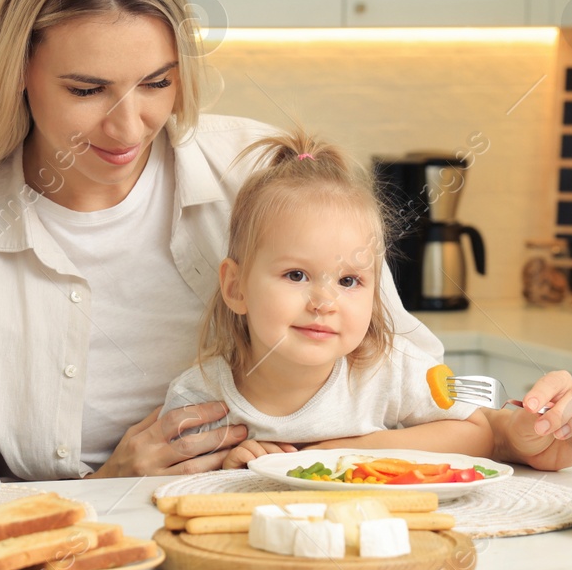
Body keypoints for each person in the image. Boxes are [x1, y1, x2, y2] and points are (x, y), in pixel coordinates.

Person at [0, 0, 572, 480]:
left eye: (157, 83)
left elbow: (415, 388)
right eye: (87, 88)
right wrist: (106, 490)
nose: (129, 125)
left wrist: (521, 434)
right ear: (20, 72)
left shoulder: (258, 175)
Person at [160, 130, 493, 468]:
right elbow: (168, 488)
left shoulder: (389, 373)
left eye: (348, 280)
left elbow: (477, 432)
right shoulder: (199, 398)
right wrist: (225, 469)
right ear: (235, 288)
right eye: (296, 275)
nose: (324, 302)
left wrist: (355, 449)